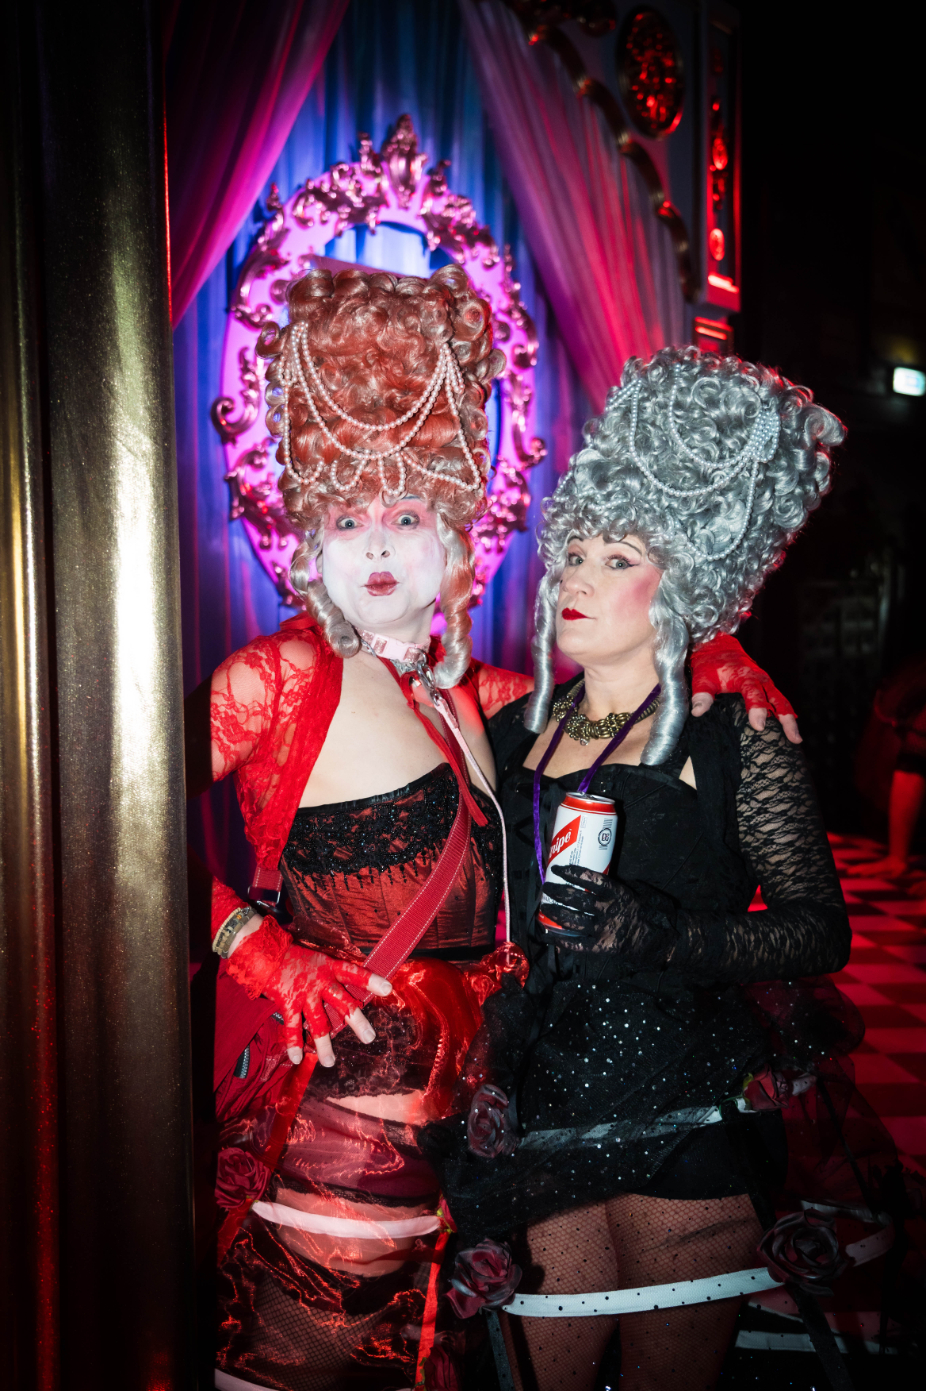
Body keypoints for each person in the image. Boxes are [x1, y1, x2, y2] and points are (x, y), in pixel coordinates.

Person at [189, 269, 809, 1390]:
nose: (377, 544)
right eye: (347, 517)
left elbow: (626, 684)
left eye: (407, 515)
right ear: (307, 538)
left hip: (477, 1158)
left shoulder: (485, 697)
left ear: (455, 536)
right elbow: (99, 826)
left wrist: (715, 649)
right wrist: (261, 950)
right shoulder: (273, 678)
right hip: (337, 1148)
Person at [427, 346, 855, 1391]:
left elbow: (816, 929)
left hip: (688, 1109)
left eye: (617, 558)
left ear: (687, 582)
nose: (575, 576)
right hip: (542, 1109)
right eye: (574, 552)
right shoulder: (508, 731)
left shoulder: (732, 732)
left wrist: (660, 932)